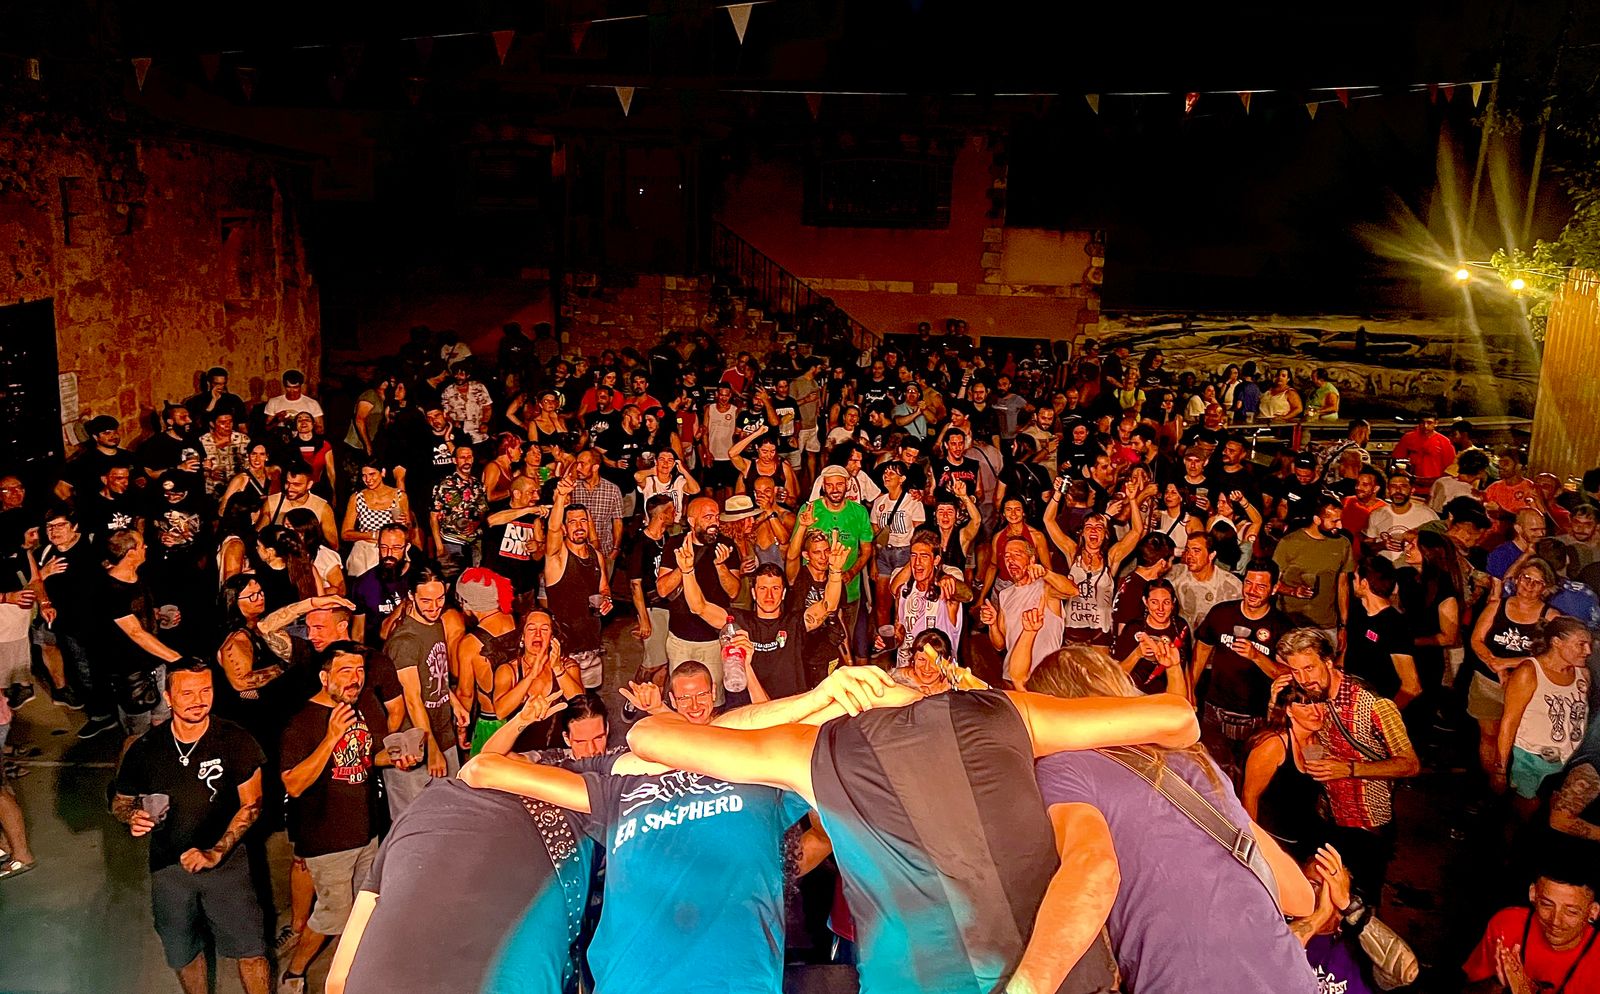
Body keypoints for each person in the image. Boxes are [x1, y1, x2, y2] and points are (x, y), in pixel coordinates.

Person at [625, 663, 1202, 994]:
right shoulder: (1002, 711)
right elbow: (1178, 718)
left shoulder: (810, 749)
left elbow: (647, 738)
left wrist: (811, 700)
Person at [457, 669, 883, 994]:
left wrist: (817, 697)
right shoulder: (612, 784)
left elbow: (845, 712)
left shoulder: (760, 767)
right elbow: (481, 768)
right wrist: (524, 719)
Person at [1021, 644, 1317, 992]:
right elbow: (1300, 897)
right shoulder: (1194, 758)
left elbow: (1094, 869)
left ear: (1055, 710)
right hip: (1290, 979)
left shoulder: (1064, 769)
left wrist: (1026, 986)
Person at [110, 663, 270, 994]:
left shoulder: (236, 740)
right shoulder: (145, 748)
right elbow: (120, 801)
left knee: (251, 950)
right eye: (187, 693)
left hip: (228, 867)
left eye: (205, 690)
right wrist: (132, 816)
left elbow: (252, 805)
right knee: (181, 951)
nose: (198, 700)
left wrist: (216, 853)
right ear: (168, 697)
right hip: (168, 868)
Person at [278, 644, 418, 993]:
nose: (355, 679)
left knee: (365, 906)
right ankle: (294, 973)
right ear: (324, 678)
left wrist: (395, 759)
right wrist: (331, 738)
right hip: (328, 840)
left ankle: (360, 969)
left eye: (359, 671)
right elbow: (294, 784)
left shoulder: (362, 708)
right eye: (345, 671)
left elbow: (365, 758)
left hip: (366, 831)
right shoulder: (302, 722)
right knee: (332, 916)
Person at [1276, 628, 1421, 896]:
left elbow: (1410, 765)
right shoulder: (1309, 695)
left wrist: (1350, 769)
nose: (1303, 679)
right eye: (1296, 671)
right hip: (1325, 816)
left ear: (1328, 661)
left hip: (1367, 823)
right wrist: (1274, 702)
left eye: (1309, 668)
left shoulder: (1373, 704)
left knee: (1361, 899)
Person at [675, 535, 846, 701]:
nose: (769, 595)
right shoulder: (737, 622)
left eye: (775, 589)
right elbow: (699, 607)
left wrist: (835, 572)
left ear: (783, 593)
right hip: (751, 711)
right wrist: (687, 571)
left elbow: (828, 606)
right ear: (754, 593)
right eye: (763, 588)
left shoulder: (795, 623)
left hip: (790, 709)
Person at [1192, 559, 1294, 785]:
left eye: (1261, 586)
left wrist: (1256, 656)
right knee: (1210, 772)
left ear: (1275, 588)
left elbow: (1287, 674)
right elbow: (1201, 652)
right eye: (1248, 583)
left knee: (1245, 777)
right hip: (1214, 710)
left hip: (1254, 716)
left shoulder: (1283, 627)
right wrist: (1190, 691)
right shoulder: (1221, 613)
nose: (1252, 591)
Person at [1469, 556, 1561, 781]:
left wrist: (1508, 664)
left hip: (1527, 688)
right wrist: (1495, 665)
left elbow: (1551, 656)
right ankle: (1493, 782)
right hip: (1488, 682)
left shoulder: (1551, 617)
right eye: (1526, 578)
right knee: (1489, 735)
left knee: (1520, 738)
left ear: (1545, 588)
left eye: (1537, 582)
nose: (1529, 585)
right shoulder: (1496, 606)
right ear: (1517, 579)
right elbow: (1476, 640)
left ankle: (1518, 785)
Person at [381, 567, 460, 815]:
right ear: (411, 597)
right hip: (413, 747)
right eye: (426, 601)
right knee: (415, 821)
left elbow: (434, 674)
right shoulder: (404, 641)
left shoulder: (435, 624)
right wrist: (432, 748)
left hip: (443, 734)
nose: (434, 607)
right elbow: (412, 699)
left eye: (440, 599)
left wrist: (454, 702)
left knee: (451, 815)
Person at [1497, 616, 1592, 816]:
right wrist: (1500, 769)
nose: (1588, 651)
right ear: (1557, 642)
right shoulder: (1529, 672)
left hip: (1567, 761)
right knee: (1527, 811)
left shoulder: (1582, 673)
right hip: (1531, 761)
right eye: (1581, 644)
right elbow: (1509, 722)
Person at [1463, 867, 1600, 993]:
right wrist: (1499, 984)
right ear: (1533, 894)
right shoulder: (1507, 925)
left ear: (1593, 911)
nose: (1555, 921)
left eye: (1571, 912)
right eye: (1546, 904)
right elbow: (1469, 987)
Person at [545, 476, 611, 691]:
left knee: (590, 700)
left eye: (583, 521)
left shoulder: (596, 555)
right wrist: (561, 497)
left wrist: (606, 599)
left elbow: (603, 588)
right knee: (566, 703)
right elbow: (552, 530)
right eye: (572, 522)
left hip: (592, 647)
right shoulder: (557, 556)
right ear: (564, 528)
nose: (579, 526)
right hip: (565, 652)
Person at [1273, 492, 1354, 646]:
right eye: (1334, 521)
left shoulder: (1343, 544)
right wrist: (1293, 591)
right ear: (1317, 519)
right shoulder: (1289, 543)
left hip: (1326, 625)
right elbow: (1272, 582)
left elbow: (1343, 586)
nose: (1340, 526)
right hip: (1290, 623)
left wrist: (1343, 626)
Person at [430, 444, 487, 578]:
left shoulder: (478, 485)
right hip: (451, 542)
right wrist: (439, 547)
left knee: (473, 583)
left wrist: (477, 523)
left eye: (469, 457)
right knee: (451, 581)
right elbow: (433, 517)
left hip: (474, 543)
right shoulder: (444, 485)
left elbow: (483, 512)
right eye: (462, 457)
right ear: (455, 460)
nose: (466, 460)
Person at [1168, 530, 1243, 630]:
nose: (1189, 556)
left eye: (1196, 551)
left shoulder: (1231, 586)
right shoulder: (1175, 575)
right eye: (1187, 550)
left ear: (1211, 555)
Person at [1365, 469, 1438, 562]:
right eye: (1393, 486)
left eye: (1403, 486)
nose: (1398, 490)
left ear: (1412, 490)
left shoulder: (1427, 515)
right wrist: (1382, 545)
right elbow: (1367, 546)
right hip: (1384, 569)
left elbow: (1439, 547)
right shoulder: (1377, 514)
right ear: (1388, 490)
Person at [1390, 415, 1456, 487]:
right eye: (1422, 423)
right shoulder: (1408, 438)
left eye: (1429, 423)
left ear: (1436, 423)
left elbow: (1450, 469)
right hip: (1412, 485)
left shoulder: (1444, 442)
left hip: (1435, 485)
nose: (1425, 426)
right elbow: (1397, 459)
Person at [264, 370, 326, 434]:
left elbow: (320, 430)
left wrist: (307, 424)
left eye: (295, 387)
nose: (292, 391)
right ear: (284, 386)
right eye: (288, 387)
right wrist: (277, 419)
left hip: (304, 438)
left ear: (301, 386)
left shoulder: (312, 403)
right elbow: (266, 428)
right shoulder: (274, 402)